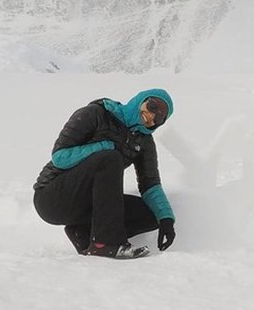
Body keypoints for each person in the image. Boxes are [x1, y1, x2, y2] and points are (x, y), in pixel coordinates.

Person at [33, 89, 177, 259]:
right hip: (52, 197)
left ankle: (84, 233)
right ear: (140, 100)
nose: (152, 115)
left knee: (151, 214)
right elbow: (60, 157)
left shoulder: (144, 141)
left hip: (87, 204)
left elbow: (150, 184)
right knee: (110, 157)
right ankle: (107, 243)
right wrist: (103, 147)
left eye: (159, 117)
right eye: (152, 105)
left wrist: (166, 220)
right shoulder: (96, 113)